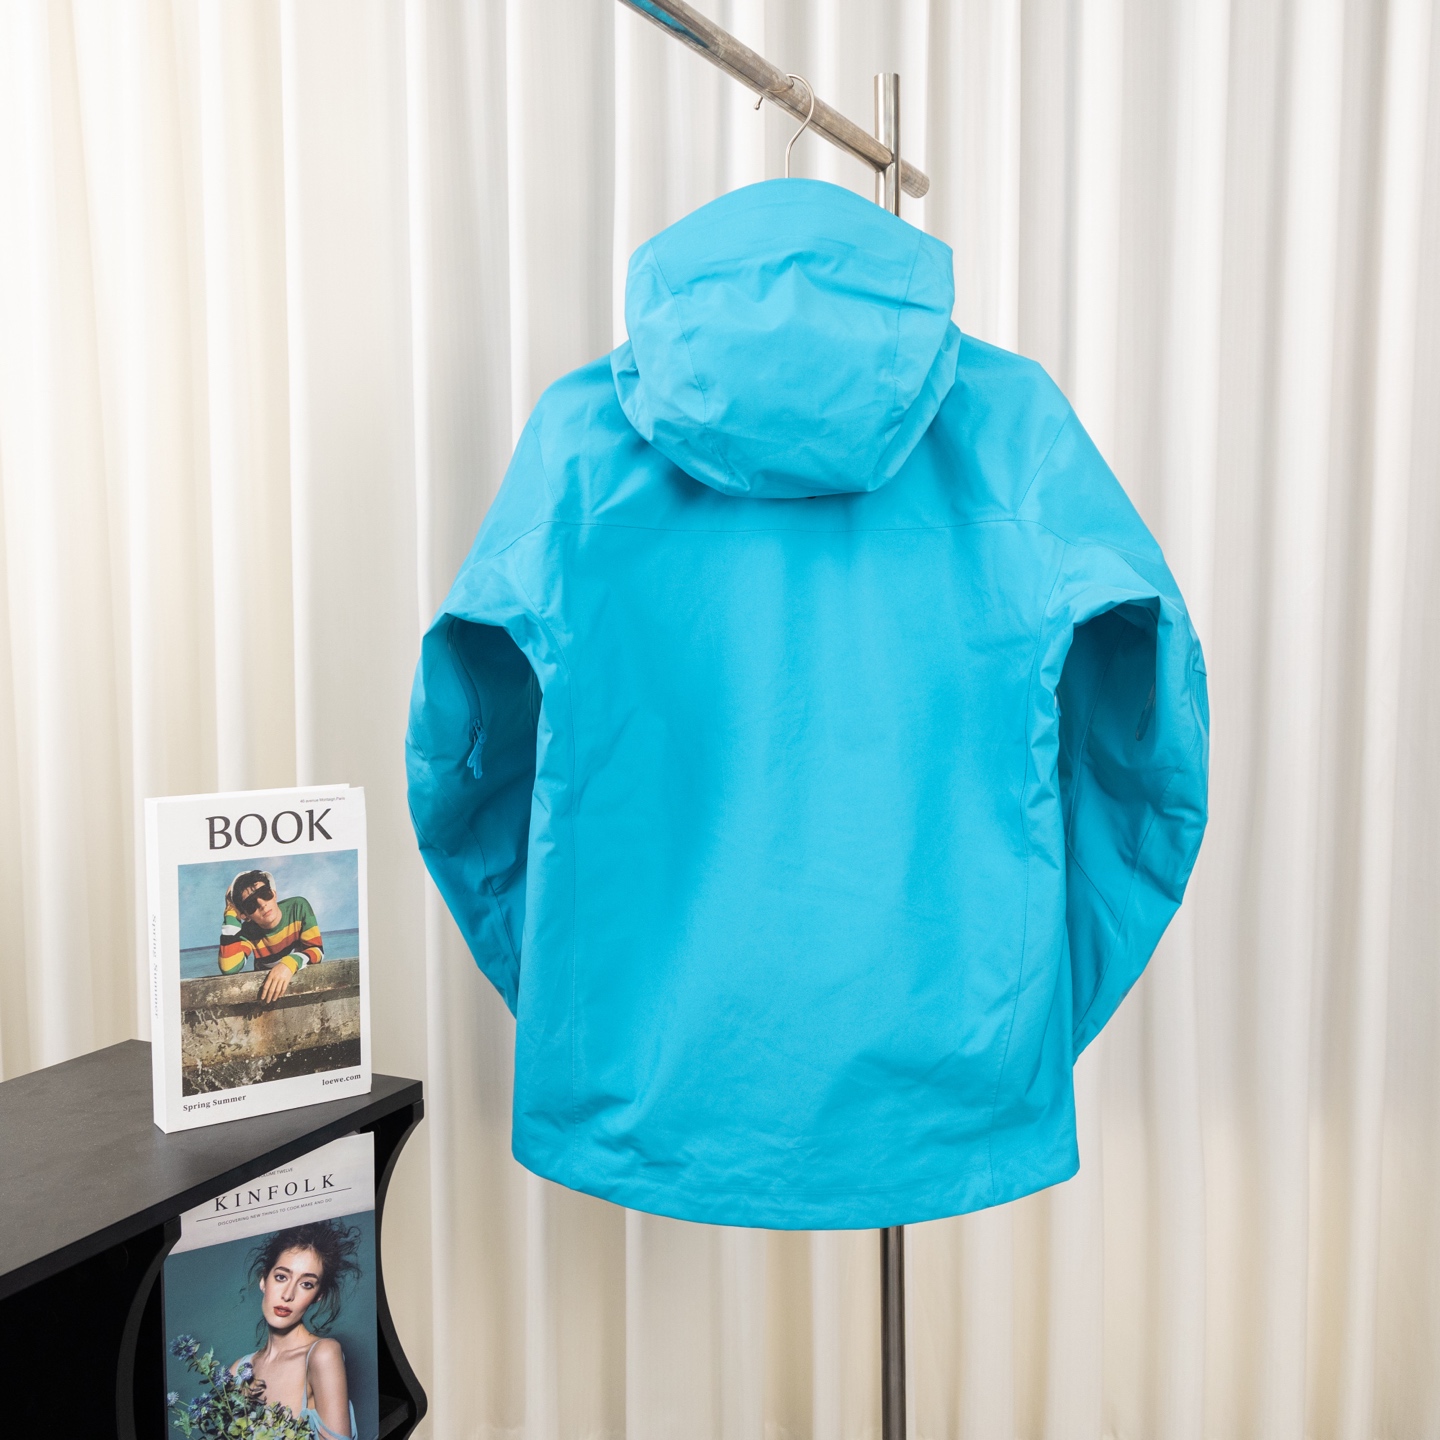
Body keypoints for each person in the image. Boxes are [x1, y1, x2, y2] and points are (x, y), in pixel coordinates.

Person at [230, 1221, 360, 1440]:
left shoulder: (323, 1354)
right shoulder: (238, 1371)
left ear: (318, 1296)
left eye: (306, 1284)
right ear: (264, 1280)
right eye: (281, 1277)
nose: (288, 1295)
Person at [218, 870, 325, 1003]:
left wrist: (288, 964)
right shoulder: (248, 933)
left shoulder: (298, 907)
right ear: (245, 916)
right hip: (266, 999)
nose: (262, 904)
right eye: (251, 904)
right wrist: (230, 912)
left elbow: (317, 951)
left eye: (264, 893)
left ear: (273, 893)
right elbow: (228, 968)